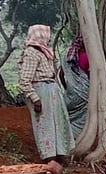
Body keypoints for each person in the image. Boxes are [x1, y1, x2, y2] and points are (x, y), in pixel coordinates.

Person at [17, 25, 71, 165]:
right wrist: (35, 99)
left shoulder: (44, 52)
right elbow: (24, 80)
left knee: (58, 123)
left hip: (52, 90)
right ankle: (49, 157)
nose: (48, 37)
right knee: (44, 125)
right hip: (41, 91)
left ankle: (60, 154)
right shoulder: (31, 53)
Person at [62, 35, 90, 143]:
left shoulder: (68, 57)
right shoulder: (87, 57)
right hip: (84, 93)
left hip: (70, 92)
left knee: (68, 115)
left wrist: (68, 88)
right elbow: (93, 77)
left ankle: (64, 138)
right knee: (82, 117)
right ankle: (76, 139)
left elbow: (61, 75)